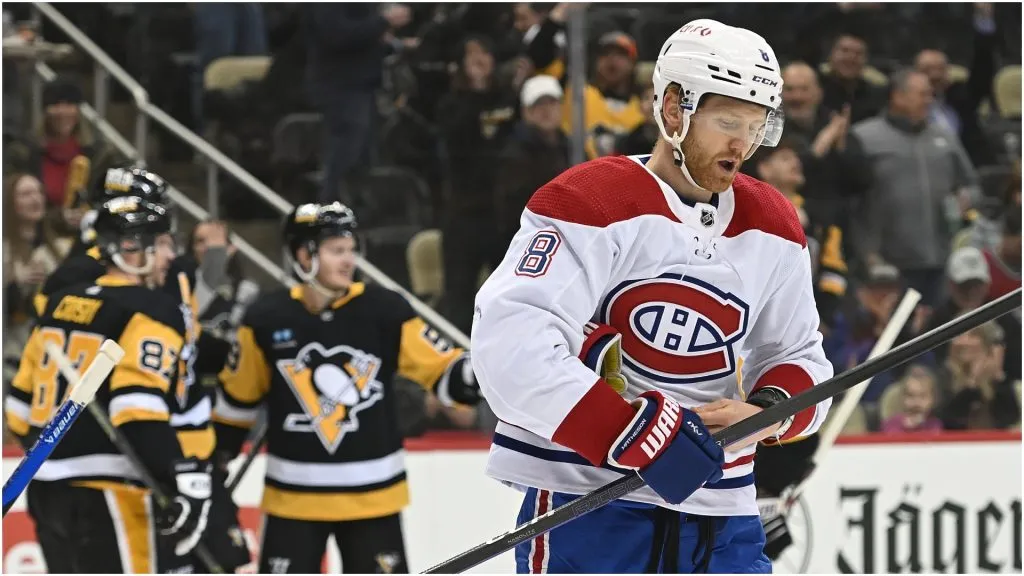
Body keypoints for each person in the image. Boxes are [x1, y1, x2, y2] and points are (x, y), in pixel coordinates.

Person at [471, 19, 834, 574]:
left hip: (722, 514)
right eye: (728, 120)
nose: (744, 143)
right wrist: (625, 430)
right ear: (672, 110)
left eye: (757, 124)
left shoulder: (774, 224)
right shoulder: (589, 202)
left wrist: (767, 415)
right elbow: (512, 341)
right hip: (589, 505)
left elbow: (800, 356)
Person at [213, 202, 481, 573]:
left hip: (373, 500)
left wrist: (482, 372)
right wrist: (215, 463)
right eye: (336, 251)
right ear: (302, 254)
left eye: (351, 250)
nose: (348, 260)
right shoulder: (266, 319)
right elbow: (236, 403)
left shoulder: (386, 311)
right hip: (293, 502)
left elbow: (444, 372)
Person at [4, 197, 210, 573]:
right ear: (132, 249)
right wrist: (178, 473)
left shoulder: (60, 302)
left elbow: (18, 412)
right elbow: (137, 408)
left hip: (45, 489)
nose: (170, 257)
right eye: (162, 244)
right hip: (110, 492)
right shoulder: (151, 310)